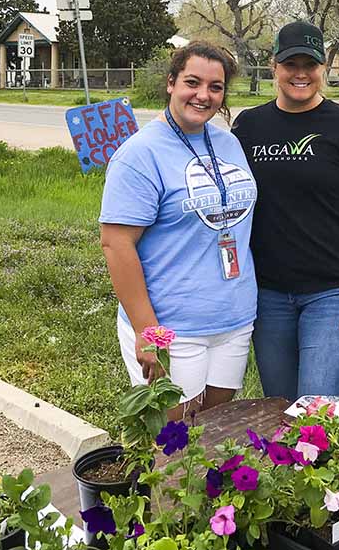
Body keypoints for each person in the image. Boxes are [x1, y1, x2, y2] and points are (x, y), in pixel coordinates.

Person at [232, 21, 339, 402]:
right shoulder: (249, 127)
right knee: (280, 410)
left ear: (324, 68)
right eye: (291, 64)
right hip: (267, 293)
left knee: (317, 414)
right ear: (274, 66)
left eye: (310, 64)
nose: (300, 73)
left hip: (333, 292)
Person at [99, 42, 258, 418]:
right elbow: (116, 243)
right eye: (192, 82)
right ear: (171, 83)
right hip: (173, 324)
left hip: (232, 318)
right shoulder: (140, 154)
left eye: (215, 87)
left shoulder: (229, 143)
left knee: (212, 429)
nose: (203, 95)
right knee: (174, 441)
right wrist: (146, 331)